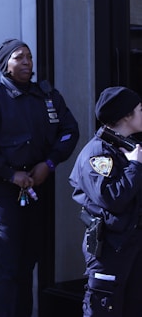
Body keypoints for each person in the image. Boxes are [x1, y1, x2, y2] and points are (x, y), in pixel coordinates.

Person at [0, 38, 79, 317]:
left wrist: (48, 163)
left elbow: (69, 131)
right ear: (5, 64)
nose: (27, 62)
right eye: (19, 57)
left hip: (37, 188)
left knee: (28, 263)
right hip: (2, 193)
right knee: (8, 265)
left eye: (29, 56)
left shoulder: (48, 96)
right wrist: (10, 173)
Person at [69, 86, 142, 317]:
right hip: (110, 249)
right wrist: (135, 167)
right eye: (141, 109)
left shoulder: (125, 148)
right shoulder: (98, 153)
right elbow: (113, 198)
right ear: (125, 116)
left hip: (130, 245)